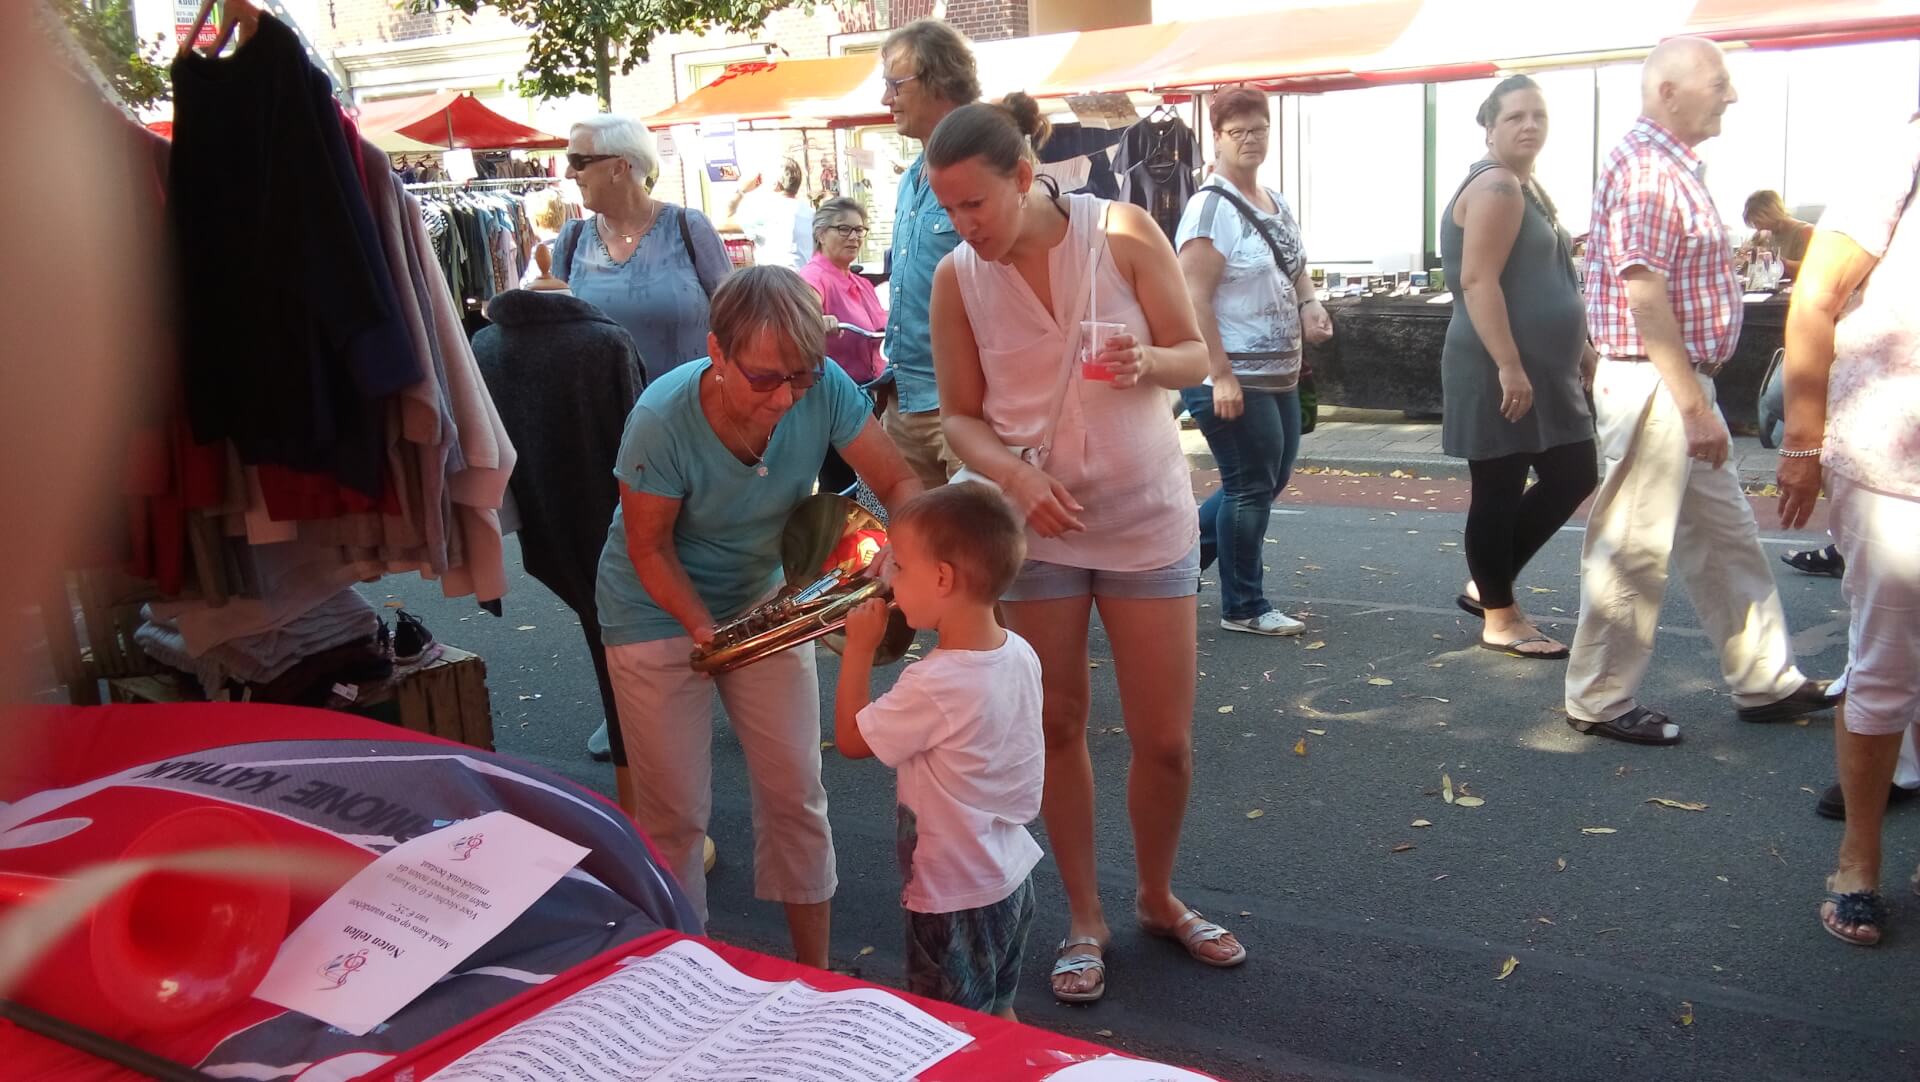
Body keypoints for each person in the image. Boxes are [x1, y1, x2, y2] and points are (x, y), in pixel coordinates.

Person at [927, 95, 1243, 1005]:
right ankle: (1084, 916)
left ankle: (1156, 896)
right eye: (948, 209)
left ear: (1025, 177)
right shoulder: (958, 275)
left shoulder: (1125, 231)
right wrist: (1018, 484)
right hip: (1037, 528)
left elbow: (1194, 354)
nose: (963, 226)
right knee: (1057, 722)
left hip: (1145, 516)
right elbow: (957, 414)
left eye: (975, 204)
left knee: (1166, 739)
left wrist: (1151, 363)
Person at [596, 266, 922, 966]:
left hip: (761, 590)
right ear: (716, 353)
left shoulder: (822, 385)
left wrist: (903, 553)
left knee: (797, 794)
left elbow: (898, 480)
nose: (784, 398)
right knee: (676, 816)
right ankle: (687, 980)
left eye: (800, 378)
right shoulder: (660, 417)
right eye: (765, 378)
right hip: (651, 608)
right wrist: (704, 632)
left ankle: (818, 978)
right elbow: (648, 549)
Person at [1565, 37, 1835, 746]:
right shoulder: (1653, 168)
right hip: (1664, 381)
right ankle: (1598, 697)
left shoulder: (1654, 161)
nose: (1732, 94)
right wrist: (1690, 401)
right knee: (1634, 544)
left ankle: (1765, 680)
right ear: (1669, 92)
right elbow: (1642, 288)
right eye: (1719, 81)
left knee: (1724, 540)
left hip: (1669, 378)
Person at [1776, 114, 1920, 945]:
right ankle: (1858, 859)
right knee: (1891, 666)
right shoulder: (1901, 152)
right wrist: (1803, 440)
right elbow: (1818, 295)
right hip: (1895, 460)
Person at [832, 483, 1043, 1019]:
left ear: (943, 578)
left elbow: (853, 742)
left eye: (899, 567)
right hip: (1009, 875)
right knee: (1000, 1016)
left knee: (949, 1029)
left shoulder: (934, 682)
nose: (888, 578)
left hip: (952, 893)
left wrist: (857, 652)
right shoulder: (1018, 652)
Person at [474, 265, 645, 814]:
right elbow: (640, 444)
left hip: (542, 517)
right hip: (616, 515)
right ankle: (640, 788)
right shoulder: (605, 342)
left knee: (603, 634)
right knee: (625, 636)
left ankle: (635, 767)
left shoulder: (486, 344)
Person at [1439, 75, 1598, 660]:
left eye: (1539, 115)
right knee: (1499, 488)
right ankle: (1500, 616)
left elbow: (1545, 277)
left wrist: (1578, 347)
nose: (1529, 125)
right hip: (1496, 365)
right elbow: (1477, 281)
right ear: (1489, 127)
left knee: (1574, 473)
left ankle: (1489, 584)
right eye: (1515, 117)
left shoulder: (1526, 187)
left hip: (1543, 368)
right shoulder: (1498, 188)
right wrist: (1508, 364)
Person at [1175, 86, 1333, 637]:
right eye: (1237, 131)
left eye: (1258, 129)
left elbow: (1296, 266)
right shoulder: (1209, 208)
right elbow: (1192, 297)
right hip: (1230, 373)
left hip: (1279, 371)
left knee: (1268, 477)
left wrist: (1310, 303)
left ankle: (1174, 567)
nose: (1250, 139)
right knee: (1249, 484)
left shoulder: (1276, 200)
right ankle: (1243, 604)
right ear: (1217, 139)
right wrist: (1219, 375)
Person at [879, 19, 981, 489]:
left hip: (966, 405)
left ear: (939, 79)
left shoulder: (987, 169)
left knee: (974, 552)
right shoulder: (909, 178)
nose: (886, 99)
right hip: (904, 399)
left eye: (895, 84)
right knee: (907, 544)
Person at [555, 114, 731, 386]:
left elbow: (734, 320)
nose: (568, 174)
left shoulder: (689, 228)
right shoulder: (572, 240)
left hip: (685, 412)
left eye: (578, 162)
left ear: (619, 168)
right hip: (601, 420)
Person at [799, 196, 889, 494]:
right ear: (820, 234)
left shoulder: (859, 282)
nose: (854, 237)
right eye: (844, 229)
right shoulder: (815, 276)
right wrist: (818, 319)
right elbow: (803, 311)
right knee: (843, 480)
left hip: (869, 392)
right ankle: (835, 535)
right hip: (834, 399)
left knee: (871, 477)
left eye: (860, 230)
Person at [729, 158, 810, 270]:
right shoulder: (810, 212)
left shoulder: (764, 211)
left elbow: (719, 223)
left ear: (775, 184)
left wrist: (742, 190)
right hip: (804, 284)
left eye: (763, 179)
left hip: (774, 283)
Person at [1742, 189, 1815, 277]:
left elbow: (1811, 269)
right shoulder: (1763, 236)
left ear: (1771, 214)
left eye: (1758, 222)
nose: (1758, 228)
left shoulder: (1806, 231)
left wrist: (1776, 259)